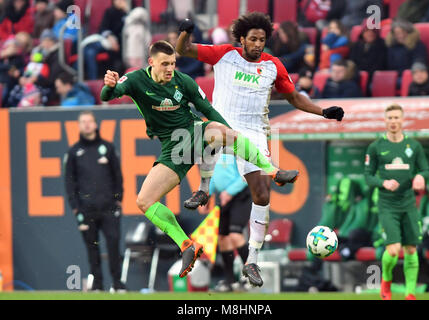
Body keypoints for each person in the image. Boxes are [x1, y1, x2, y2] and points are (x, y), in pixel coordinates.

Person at [100, 40, 300, 280]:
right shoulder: (135, 80)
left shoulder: (183, 81)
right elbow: (108, 95)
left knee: (219, 128)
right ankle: (187, 245)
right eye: (164, 64)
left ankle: (273, 171)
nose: (169, 68)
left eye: (173, 63)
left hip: (193, 132)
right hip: (174, 150)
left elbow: (208, 110)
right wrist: (109, 86)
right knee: (144, 201)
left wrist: (229, 133)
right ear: (151, 62)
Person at [176, 12, 344, 287]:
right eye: (253, 39)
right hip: (224, 123)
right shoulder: (224, 54)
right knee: (209, 134)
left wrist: (323, 111)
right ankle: (203, 189)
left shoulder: (272, 65)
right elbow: (183, 49)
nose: (257, 44)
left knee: (262, 194)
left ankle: (251, 260)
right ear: (241, 39)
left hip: (254, 131)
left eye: (262, 40)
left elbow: (294, 97)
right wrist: (185, 32)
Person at [364, 104, 429, 300]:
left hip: (408, 204)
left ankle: (410, 293)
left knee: (411, 248)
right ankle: (386, 281)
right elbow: (368, 176)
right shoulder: (376, 147)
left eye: (396, 118)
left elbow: (425, 170)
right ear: (385, 121)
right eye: (390, 118)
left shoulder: (414, 146)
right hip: (387, 205)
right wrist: (383, 182)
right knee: (393, 250)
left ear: (402, 120)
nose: (393, 121)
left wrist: (421, 177)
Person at [64, 110, 126, 292]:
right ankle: (97, 285)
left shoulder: (107, 147)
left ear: (95, 124)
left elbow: (118, 176)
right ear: (79, 125)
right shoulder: (74, 152)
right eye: (83, 122)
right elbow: (70, 182)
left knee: (114, 245)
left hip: (109, 208)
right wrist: (75, 207)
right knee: (92, 248)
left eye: (89, 121)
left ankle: (117, 284)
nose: (86, 125)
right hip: (86, 210)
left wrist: (118, 200)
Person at [198, 154, 252, 292]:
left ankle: (250, 276)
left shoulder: (233, 148)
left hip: (240, 196)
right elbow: (210, 177)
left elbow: (245, 176)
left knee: (235, 235)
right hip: (223, 198)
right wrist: (205, 196)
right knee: (222, 238)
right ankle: (230, 281)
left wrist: (230, 192)